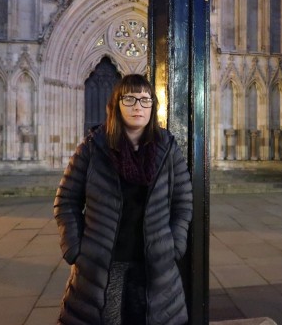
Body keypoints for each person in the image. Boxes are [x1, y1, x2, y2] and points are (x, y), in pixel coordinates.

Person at [54, 74, 193, 325]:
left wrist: (175, 245)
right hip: (104, 265)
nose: (138, 106)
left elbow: (183, 203)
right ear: (116, 104)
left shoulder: (167, 149)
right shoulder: (93, 148)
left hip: (155, 266)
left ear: (153, 106)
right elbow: (66, 201)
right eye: (129, 98)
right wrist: (75, 249)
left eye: (144, 99)